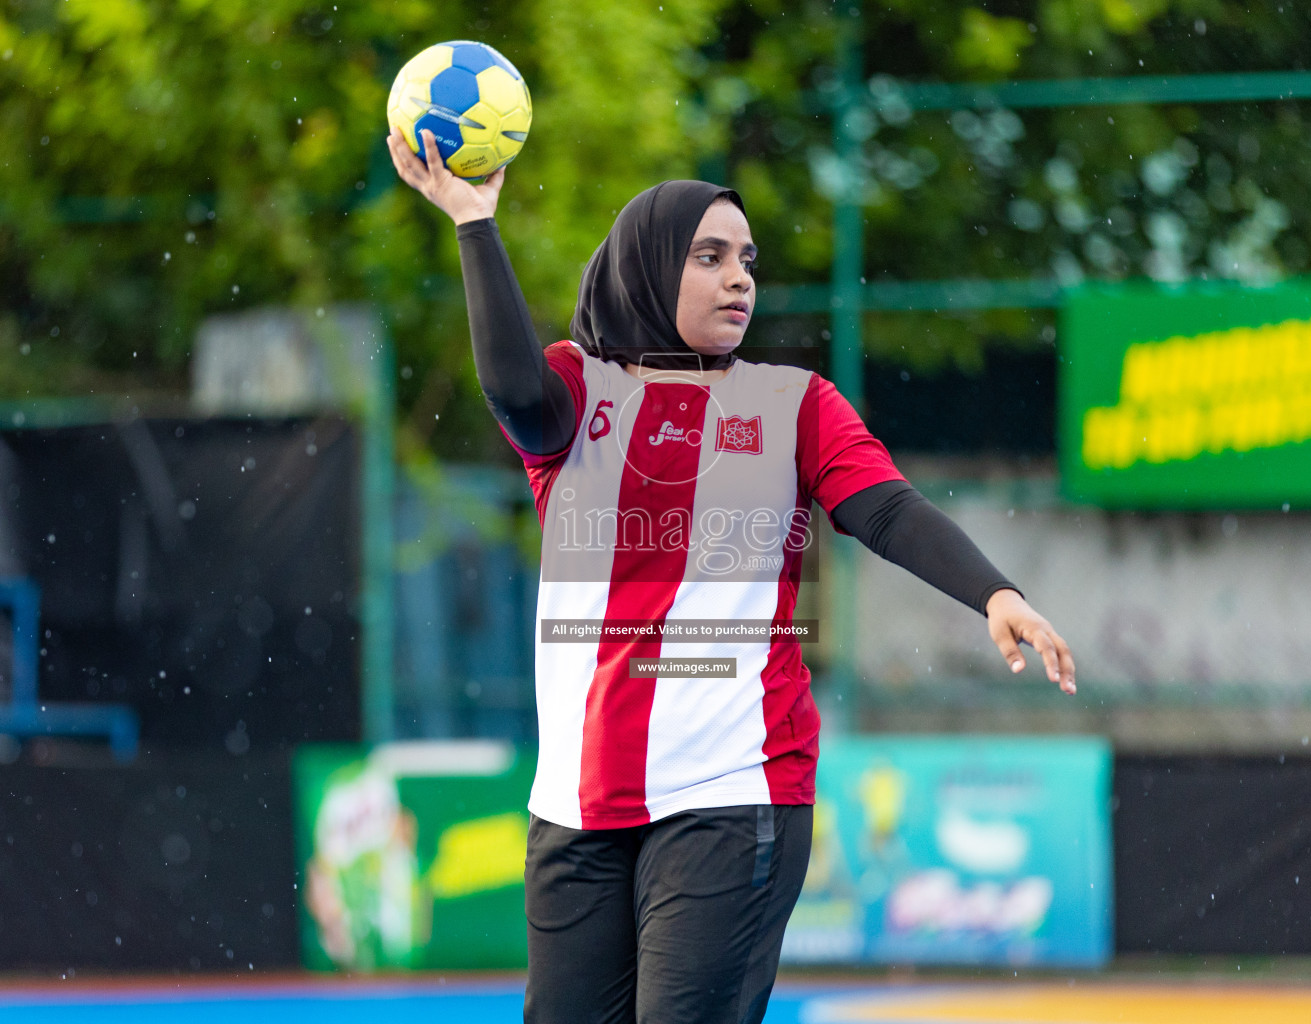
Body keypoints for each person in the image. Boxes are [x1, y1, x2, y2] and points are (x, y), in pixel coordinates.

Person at [387, 127, 1076, 1024]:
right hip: (573, 802)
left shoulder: (792, 402)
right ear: (644, 268)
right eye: (708, 257)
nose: (738, 277)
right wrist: (475, 222)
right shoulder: (574, 387)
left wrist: (998, 592)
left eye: (746, 258)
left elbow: (889, 509)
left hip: (735, 786)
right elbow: (513, 393)